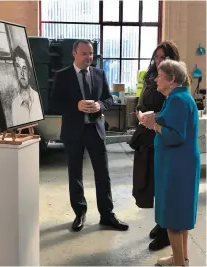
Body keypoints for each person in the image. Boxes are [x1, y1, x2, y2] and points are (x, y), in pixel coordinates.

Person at [49, 39, 129, 232]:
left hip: (95, 130)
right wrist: (75, 106)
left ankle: (107, 215)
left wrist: (100, 105)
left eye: (91, 53)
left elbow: (109, 98)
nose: (88, 57)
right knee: (75, 173)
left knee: (103, 174)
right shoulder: (62, 76)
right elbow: (53, 103)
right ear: (74, 54)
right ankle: (80, 213)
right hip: (73, 132)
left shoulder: (99, 73)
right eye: (84, 54)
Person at [142, 59, 200, 266]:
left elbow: (176, 136)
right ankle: (180, 257)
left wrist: (154, 125)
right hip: (180, 163)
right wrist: (155, 119)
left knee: (174, 215)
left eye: (159, 75)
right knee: (181, 213)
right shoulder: (178, 97)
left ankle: (178, 264)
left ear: (172, 79)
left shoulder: (178, 100)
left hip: (177, 165)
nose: (155, 79)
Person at [130, 41, 181, 251]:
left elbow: (172, 111)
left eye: (164, 58)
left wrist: (155, 119)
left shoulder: (174, 81)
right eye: (157, 57)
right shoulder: (152, 77)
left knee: (162, 185)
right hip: (146, 136)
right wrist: (141, 113)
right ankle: (160, 224)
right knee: (149, 182)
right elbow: (142, 101)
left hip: (160, 138)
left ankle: (165, 231)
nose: (159, 61)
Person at [11, 45, 43, 127]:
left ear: (29, 73)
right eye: (18, 67)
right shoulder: (14, 104)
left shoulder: (38, 98)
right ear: (15, 72)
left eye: (24, 68)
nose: (21, 72)